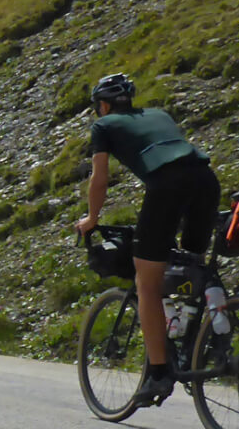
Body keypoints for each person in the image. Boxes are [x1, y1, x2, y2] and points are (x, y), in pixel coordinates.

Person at [72, 73, 220, 406]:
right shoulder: (159, 114)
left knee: (147, 281)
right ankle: (199, 339)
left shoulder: (104, 125)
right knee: (191, 263)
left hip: (167, 186)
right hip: (206, 179)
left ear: (103, 104)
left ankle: (159, 373)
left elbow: (100, 178)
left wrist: (92, 219)